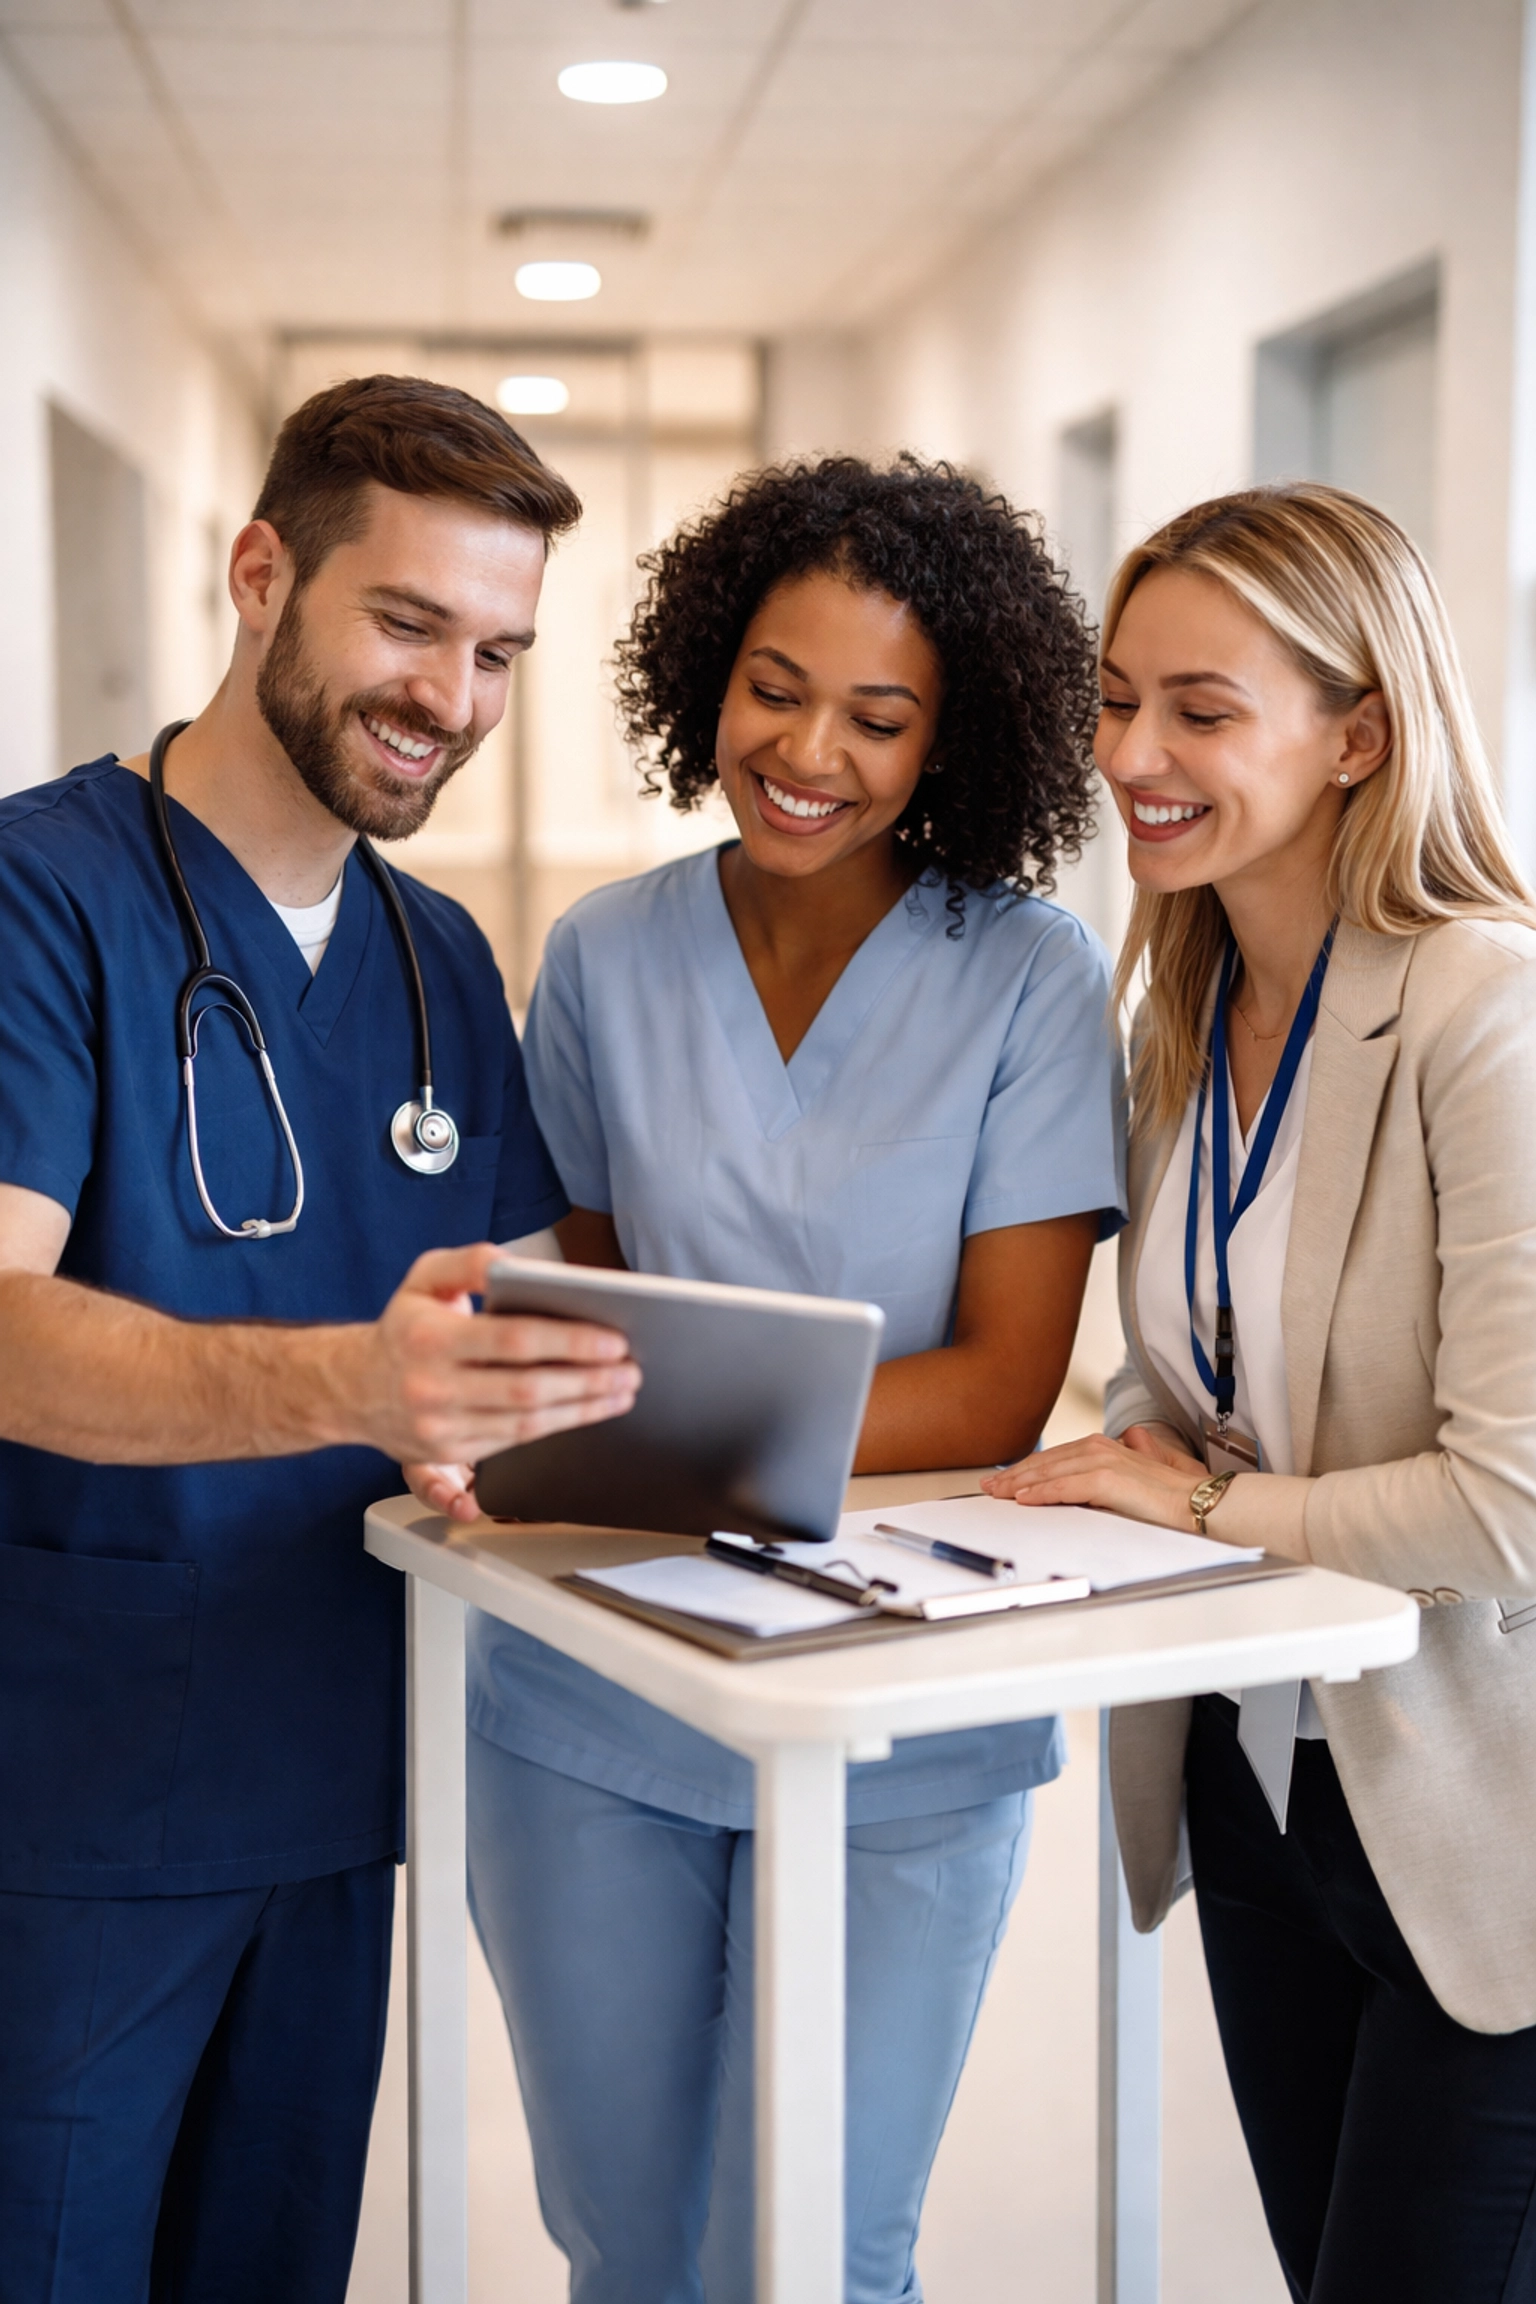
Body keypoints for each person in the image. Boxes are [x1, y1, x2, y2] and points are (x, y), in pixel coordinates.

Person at [412, 454, 1127, 2303]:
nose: (811, 751)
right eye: (775, 690)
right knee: (626, 2243)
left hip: (907, 1698)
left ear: (952, 739)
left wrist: (676, 1410)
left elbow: (996, 1393)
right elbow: (583, 1308)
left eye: (881, 718)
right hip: (599, 1688)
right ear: (708, 680)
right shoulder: (603, 955)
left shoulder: (1032, 978)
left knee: (815, 2248)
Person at [0, 374, 642, 2304]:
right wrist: (356, 1382)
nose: (452, 700)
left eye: (502, 653)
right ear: (260, 573)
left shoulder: (440, 958)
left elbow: (534, 1337)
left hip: (338, 1776)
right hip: (75, 1802)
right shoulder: (40, 897)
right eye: (409, 624)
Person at [984, 482, 1536, 2304]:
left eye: (1201, 711)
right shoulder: (1184, 1006)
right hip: (1264, 1785)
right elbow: (1196, 1376)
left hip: (1484, 1814)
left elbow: (1510, 1505)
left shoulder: (1487, 1012)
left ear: (1358, 732)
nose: (1131, 752)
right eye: (1118, 697)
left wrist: (1207, 1507)